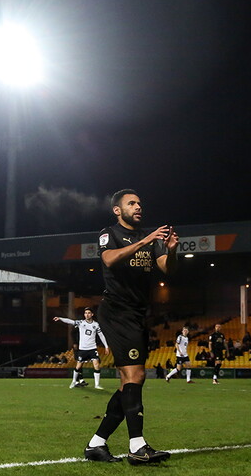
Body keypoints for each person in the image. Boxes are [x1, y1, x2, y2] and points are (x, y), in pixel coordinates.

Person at [84, 189, 178, 465]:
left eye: (140, 204)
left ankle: (96, 444)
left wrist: (172, 251)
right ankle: (137, 447)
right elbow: (109, 259)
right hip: (116, 311)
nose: (138, 207)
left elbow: (167, 268)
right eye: (132, 203)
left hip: (137, 313)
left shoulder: (151, 238)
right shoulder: (109, 233)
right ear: (118, 210)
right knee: (134, 374)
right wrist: (146, 240)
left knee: (131, 380)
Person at [53, 307, 109, 389]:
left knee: (96, 365)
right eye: (85, 313)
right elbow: (70, 321)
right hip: (83, 349)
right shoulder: (81, 323)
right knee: (78, 366)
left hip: (92, 348)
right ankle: (73, 381)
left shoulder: (96, 325)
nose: (87, 314)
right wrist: (60, 318)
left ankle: (97, 384)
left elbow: (101, 336)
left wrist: (106, 346)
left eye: (89, 313)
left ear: (92, 314)